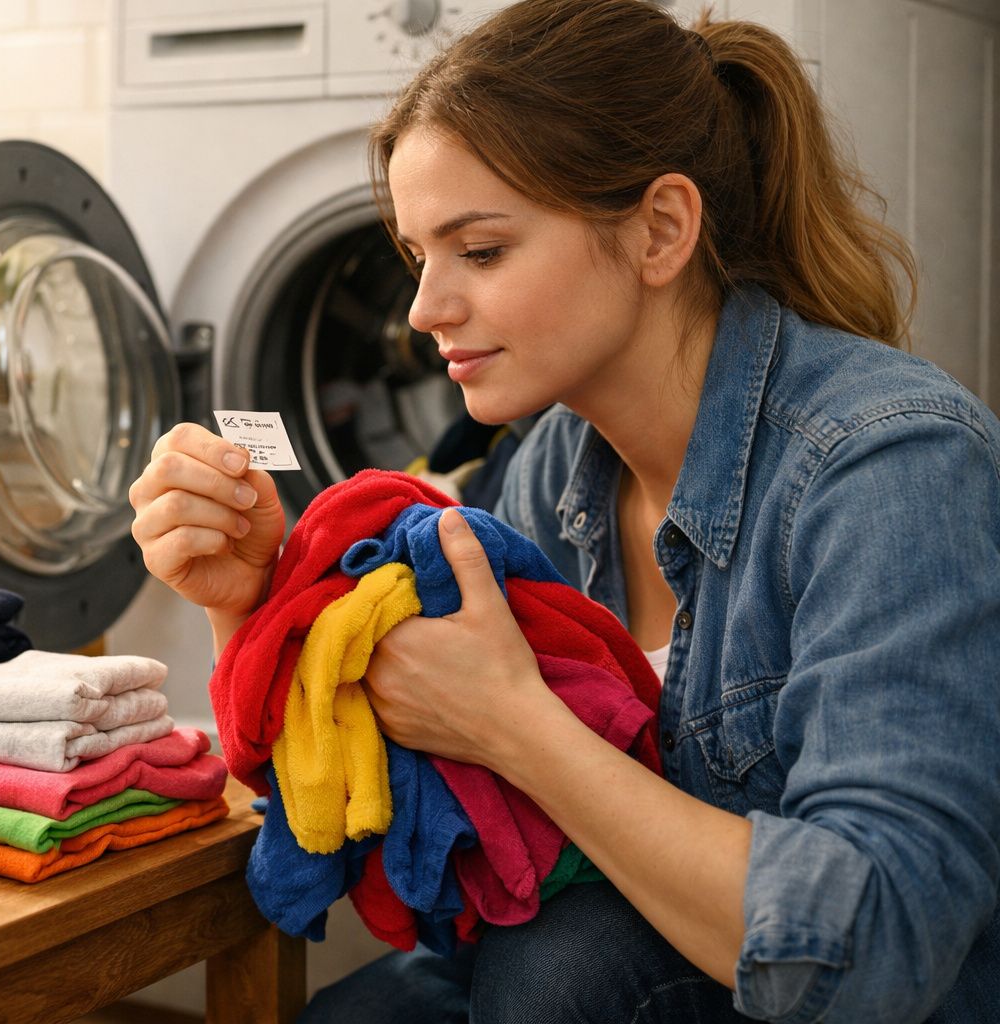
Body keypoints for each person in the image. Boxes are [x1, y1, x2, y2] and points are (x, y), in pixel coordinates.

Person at [126, 1, 1000, 1020]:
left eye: (481, 251)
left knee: (558, 967)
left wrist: (516, 725)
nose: (423, 310)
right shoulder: (555, 464)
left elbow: (878, 943)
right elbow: (383, 814)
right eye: (417, 256)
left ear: (661, 231)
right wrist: (250, 605)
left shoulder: (888, 468)